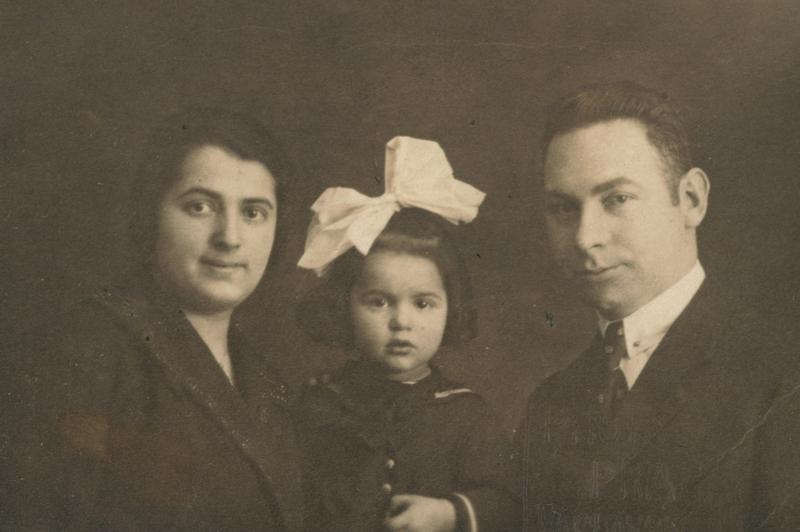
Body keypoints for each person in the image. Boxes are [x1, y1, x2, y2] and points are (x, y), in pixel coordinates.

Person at [2, 108, 305, 531]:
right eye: (200, 206)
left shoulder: (265, 379)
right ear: (150, 215)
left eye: (253, 212)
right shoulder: (84, 352)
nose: (230, 237)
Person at [518, 81, 798, 530]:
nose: (585, 238)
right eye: (564, 208)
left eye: (617, 199)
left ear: (691, 200)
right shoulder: (548, 405)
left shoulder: (781, 372)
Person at [294, 136, 520, 532]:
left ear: (450, 308)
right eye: (379, 302)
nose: (402, 321)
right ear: (345, 306)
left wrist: (449, 513)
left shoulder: (467, 414)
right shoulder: (318, 405)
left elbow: (508, 505)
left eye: (423, 303)